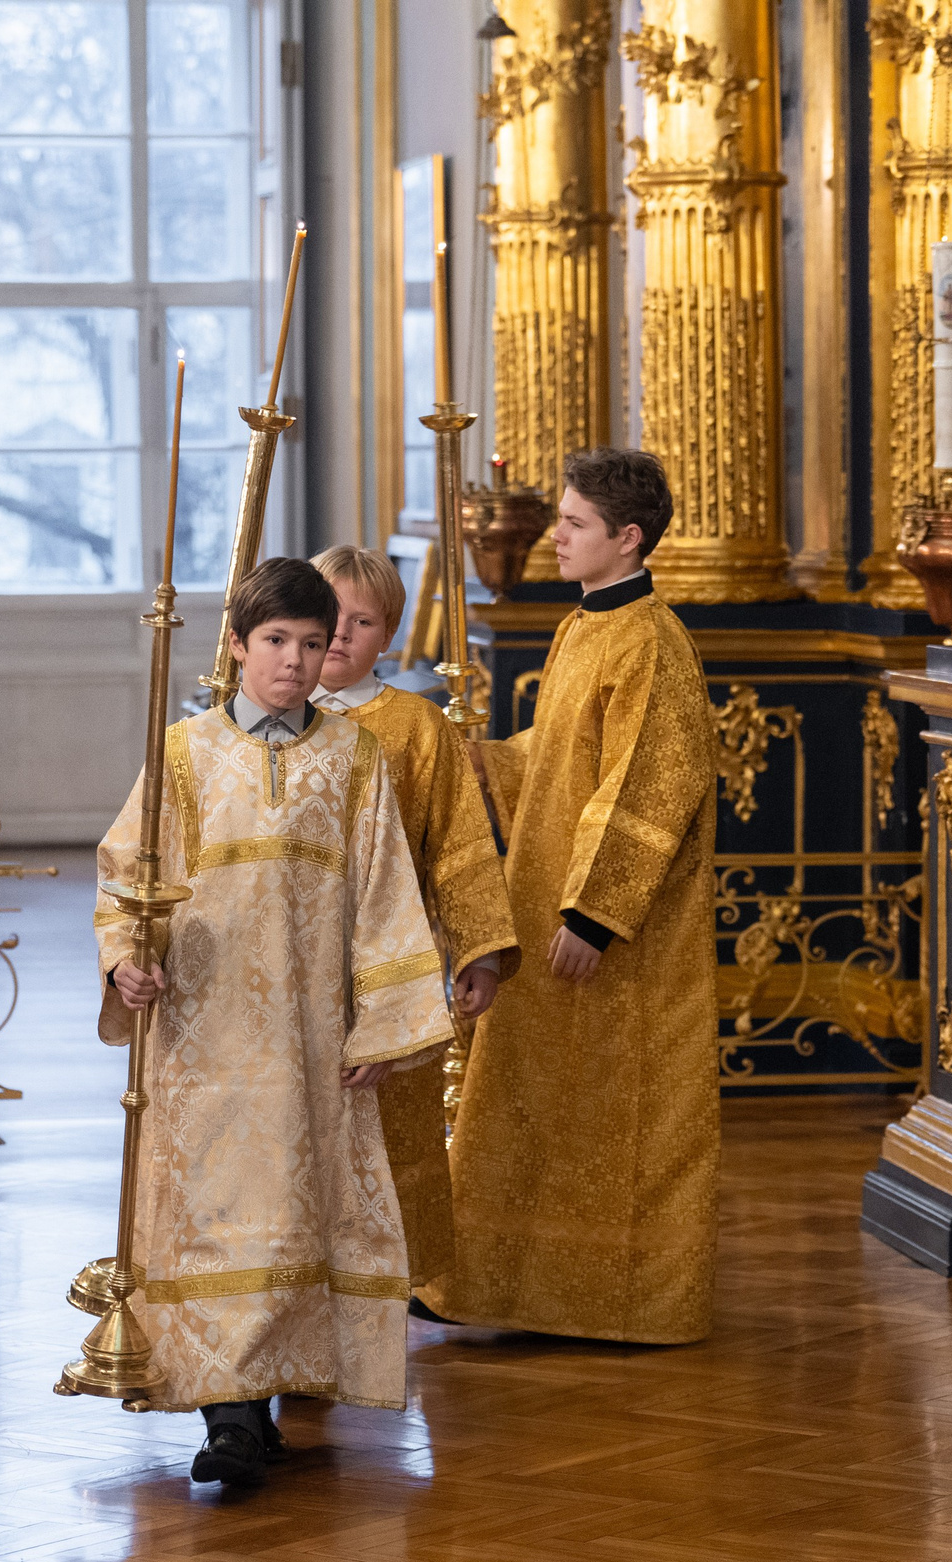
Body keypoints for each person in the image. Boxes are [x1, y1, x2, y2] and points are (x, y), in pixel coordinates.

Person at [95, 555, 453, 1488]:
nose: (294, 661)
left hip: (312, 1040)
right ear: (237, 645)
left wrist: (384, 1023)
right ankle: (230, 1416)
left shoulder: (354, 757)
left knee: (298, 1217)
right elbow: (129, 875)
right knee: (216, 1218)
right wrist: (127, 959)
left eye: (312, 642)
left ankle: (273, 1394)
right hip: (202, 1038)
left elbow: (385, 893)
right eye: (275, 641)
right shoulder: (184, 753)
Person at [421, 448, 722, 1345]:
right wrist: (486, 761)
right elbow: (559, 762)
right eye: (560, 518)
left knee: (617, 1112)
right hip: (544, 901)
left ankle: (623, 1297)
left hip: (610, 932)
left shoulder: (653, 642)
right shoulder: (584, 625)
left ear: (627, 537)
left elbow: (650, 788)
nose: (556, 535)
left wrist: (594, 914)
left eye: (573, 522)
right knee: (525, 1096)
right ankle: (497, 1283)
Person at [307, 544, 518, 1289]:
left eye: (362, 622)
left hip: (392, 962)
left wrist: (478, 949)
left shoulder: (416, 727)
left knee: (391, 1123)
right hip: (291, 963)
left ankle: (383, 1283)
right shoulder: (270, 718)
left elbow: (459, 845)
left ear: (389, 637)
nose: (340, 633)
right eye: (328, 615)